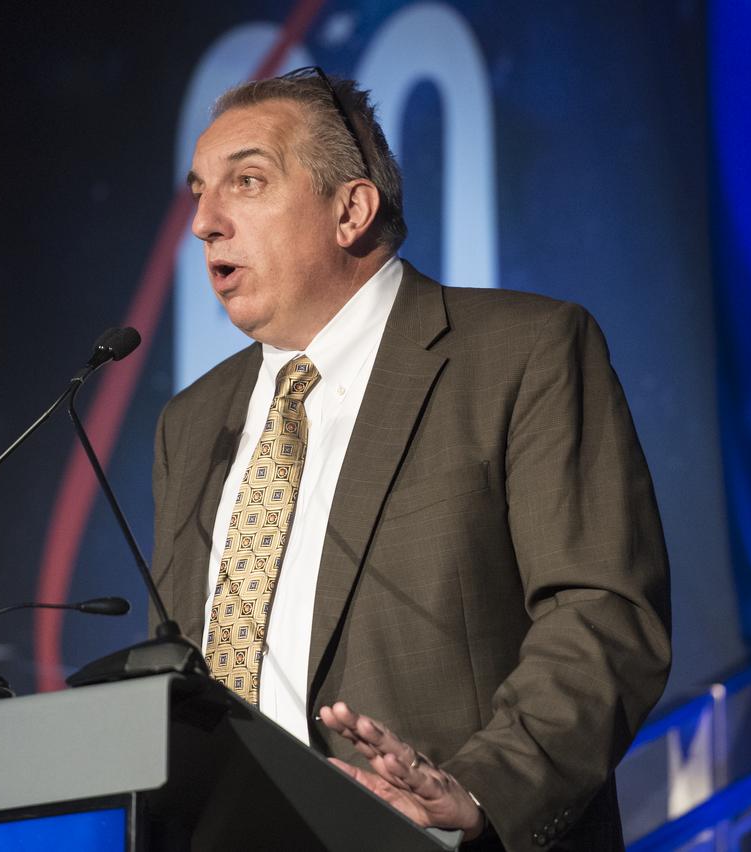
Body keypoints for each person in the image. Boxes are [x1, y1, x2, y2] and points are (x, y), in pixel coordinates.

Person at [150, 68, 671, 851]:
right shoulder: (190, 425)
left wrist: (480, 789)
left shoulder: (520, 354)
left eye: (246, 181)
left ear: (350, 209)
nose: (204, 222)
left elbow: (603, 614)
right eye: (197, 191)